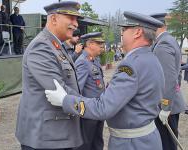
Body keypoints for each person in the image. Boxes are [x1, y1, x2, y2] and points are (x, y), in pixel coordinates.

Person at [45, 11, 165, 150]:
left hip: (131, 144)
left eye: (124, 29)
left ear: (137, 32)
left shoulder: (131, 64)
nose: (122, 33)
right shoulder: (151, 58)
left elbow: (104, 108)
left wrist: (65, 100)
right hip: (146, 138)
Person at [15, 1, 84, 150]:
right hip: (45, 137)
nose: (76, 24)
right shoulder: (41, 46)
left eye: (76, 19)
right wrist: (94, 105)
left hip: (56, 134)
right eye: (71, 18)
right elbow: (58, 89)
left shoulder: (55, 45)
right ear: (53, 19)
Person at [151, 13, 186, 150]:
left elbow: (168, 78)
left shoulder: (163, 44)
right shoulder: (170, 39)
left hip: (166, 107)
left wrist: (165, 107)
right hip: (171, 101)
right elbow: (176, 75)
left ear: (155, 27)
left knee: (167, 144)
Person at [75, 32, 105, 150]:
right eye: (99, 44)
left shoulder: (94, 60)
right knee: (86, 144)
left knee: (97, 142)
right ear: (90, 44)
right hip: (88, 112)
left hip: (98, 109)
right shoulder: (82, 62)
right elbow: (77, 90)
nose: (102, 46)